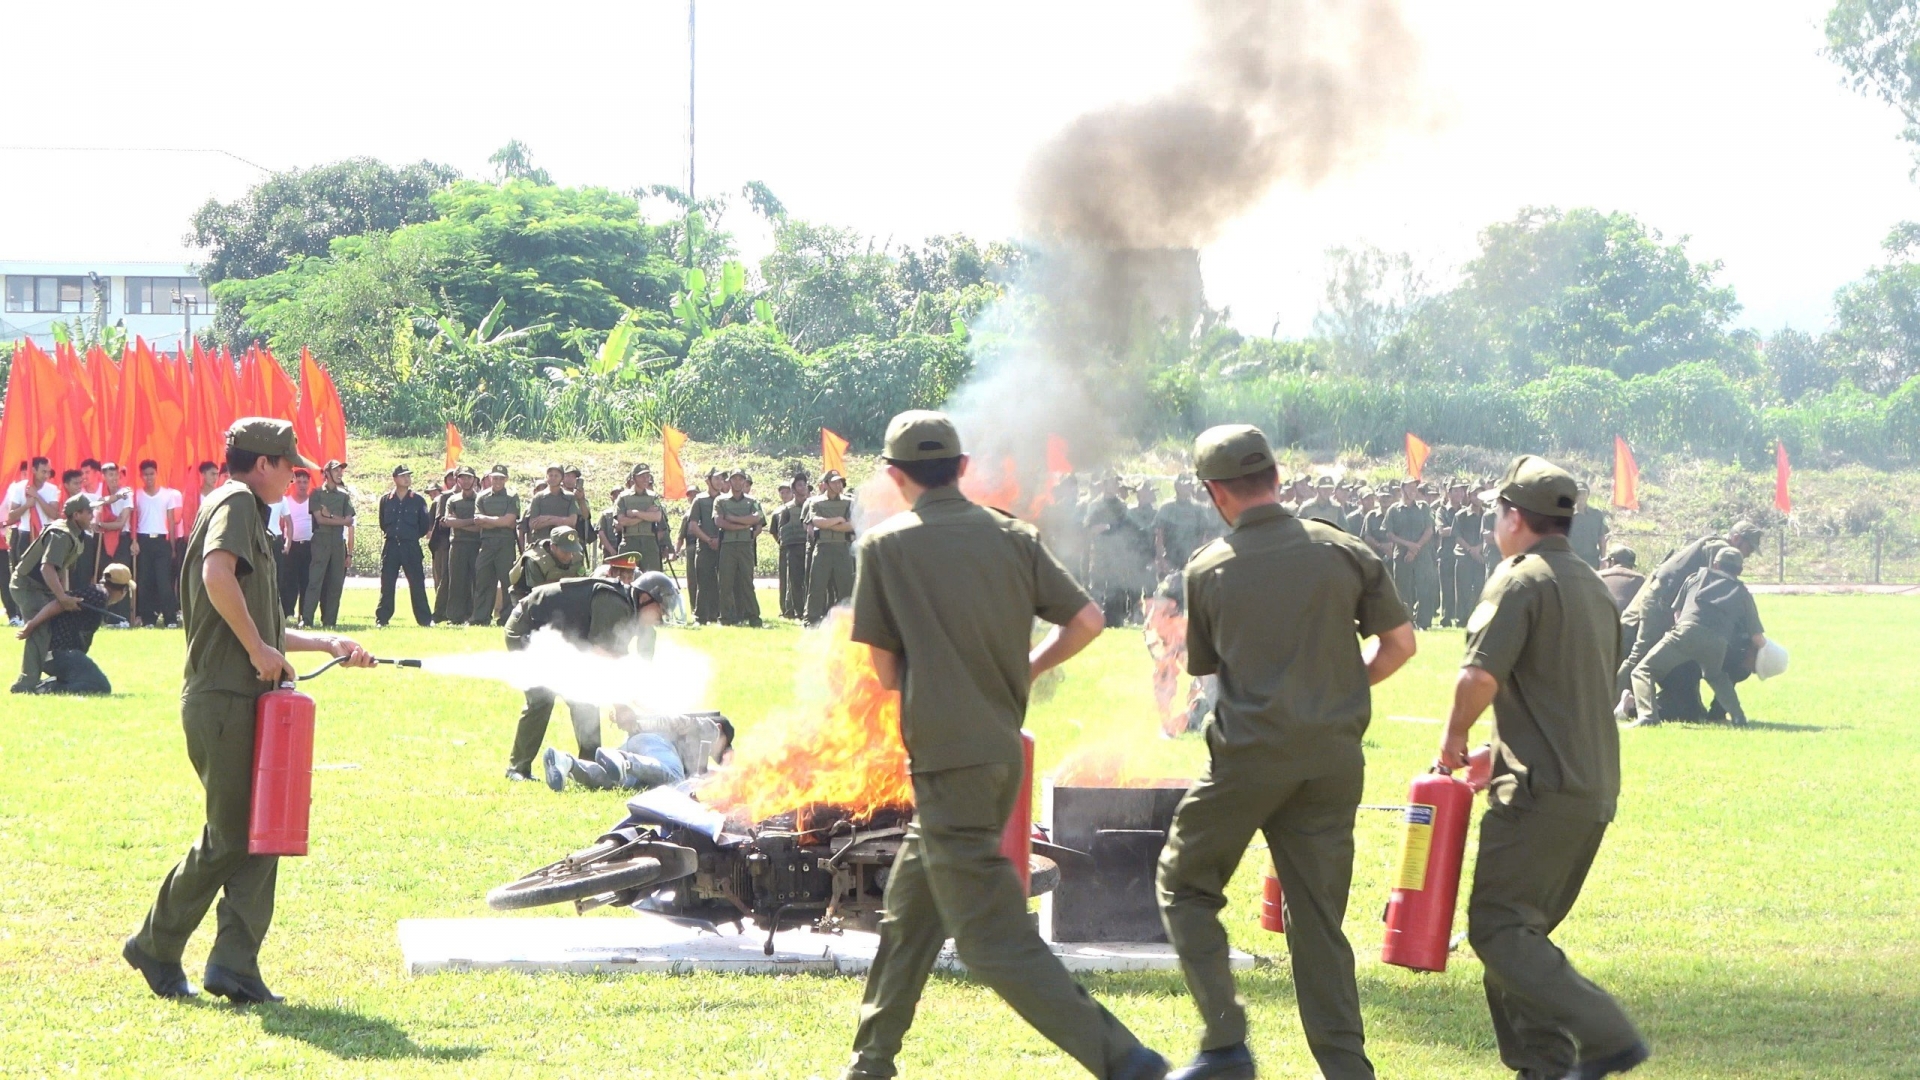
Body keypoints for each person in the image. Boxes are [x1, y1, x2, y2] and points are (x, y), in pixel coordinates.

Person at [838, 411, 1166, 1080]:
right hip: (994, 755)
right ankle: (870, 1063)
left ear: (896, 477)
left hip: (947, 757)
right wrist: (1028, 668)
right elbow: (1087, 620)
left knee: (993, 943)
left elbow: (883, 670)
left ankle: (1128, 1062)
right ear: (962, 469)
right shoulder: (1014, 538)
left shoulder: (887, 547)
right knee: (910, 912)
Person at [1155, 426, 1416, 1080]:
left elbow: (1208, 671)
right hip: (1331, 760)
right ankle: (1348, 1071)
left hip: (1248, 759)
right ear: (1278, 477)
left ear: (1215, 493)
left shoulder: (1209, 568)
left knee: (1184, 883)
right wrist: (1340, 686)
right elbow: (1402, 645)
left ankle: (1224, 1043)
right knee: (1318, 923)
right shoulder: (1345, 550)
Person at [125, 418, 374, 1003]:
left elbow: (262, 622)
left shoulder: (247, 513)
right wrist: (260, 650)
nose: (293, 476)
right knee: (232, 835)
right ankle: (155, 944)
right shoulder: (236, 501)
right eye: (288, 465)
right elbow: (217, 576)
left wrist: (326, 645)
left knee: (265, 832)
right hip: (223, 696)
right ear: (261, 463)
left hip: (246, 696)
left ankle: (234, 965)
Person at [1438, 454, 1649, 1080]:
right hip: (1588, 789)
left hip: (1539, 794)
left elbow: (1479, 675)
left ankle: (1608, 1036)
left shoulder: (1520, 579)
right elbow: (1562, 692)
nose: (1491, 527)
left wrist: (1453, 738)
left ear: (1514, 517)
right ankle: (1544, 1069)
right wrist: (1495, 752)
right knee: (1518, 936)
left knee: (1500, 931)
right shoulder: (1590, 585)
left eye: (1493, 514)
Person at [502, 558, 658, 782]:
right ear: (645, 598)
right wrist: (621, 704)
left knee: (584, 698)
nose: (661, 617)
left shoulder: (633, 610)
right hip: (527, 627)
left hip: (560, 638)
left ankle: (589, 766)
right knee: (542, 697)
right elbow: (602, 658)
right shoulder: (614, 602)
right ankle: (517, 769)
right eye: (660, 608)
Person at [1615, 520, 1764, 715]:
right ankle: (1610, 701)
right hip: (1660, 603)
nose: (1748, 554)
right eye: (1749, 548)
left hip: (1667, 603)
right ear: (1736, 539)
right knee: (1641, 654)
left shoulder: (1714, 545)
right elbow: (1717, 584)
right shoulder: (1719, 548)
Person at [10, 493, 94, 693]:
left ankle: (47, 676)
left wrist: (62, 595)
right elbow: (47, 568)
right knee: (39, 629)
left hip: (42, 587)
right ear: (76, 515)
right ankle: (25, 685)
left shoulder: (74, 533)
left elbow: (61, 567)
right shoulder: (61, 534)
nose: (92, 514)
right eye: (88, 511)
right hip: (27, 585)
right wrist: (62, 598)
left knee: (52, 626)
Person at [15, 562, 134, 694]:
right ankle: (47, 689)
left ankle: (46, 685)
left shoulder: (97, 594)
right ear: (123, 590)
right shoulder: (98, 595)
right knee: (100, 686)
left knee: (89, 681)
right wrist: (32, 625)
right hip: (61, 653)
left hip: (60, 654)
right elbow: (59, 603)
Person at [547, 709, 732, 792]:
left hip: (639, 748)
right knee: (675, 778)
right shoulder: (711, 728)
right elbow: (672, 720)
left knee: (614, 780)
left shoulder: (698, 750)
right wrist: (638, 723)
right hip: (654, 744)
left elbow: (701, 774)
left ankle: (567, 763)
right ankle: (624, 760)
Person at [375, 465, 434, 628]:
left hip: (410, 546)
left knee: (417, 583)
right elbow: (383, 523)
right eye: (402, 476)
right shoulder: (386, 499)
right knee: (387, 583)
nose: (407, 479)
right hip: (392, 545)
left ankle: (424, 620)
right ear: (395, 479)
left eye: (408, 476)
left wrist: (410, 535)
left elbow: (424, 526)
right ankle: (382, 618)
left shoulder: (418, 500)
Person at [302, 460, 355, 630]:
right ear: (327, 473)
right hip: (321, 541)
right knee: (315, 581)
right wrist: (336, 520)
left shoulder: (344, 496)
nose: (340, 473)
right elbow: (319, 519)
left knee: (336, 583)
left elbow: (349, 521)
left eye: (341, 471)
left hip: (338, 543)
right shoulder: (316, 494)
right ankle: (307, 619)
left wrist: (330, 516)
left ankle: (330, 621)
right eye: (336, 470)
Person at [131, 460, 183, 628]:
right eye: (145, 474)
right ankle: (148, 619)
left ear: (156, 474)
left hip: (162, 541)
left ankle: (170, 618)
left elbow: (171, 521)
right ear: (141, 476)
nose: (149, 477)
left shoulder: (167, 495)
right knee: (145, 581)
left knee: (164, 582)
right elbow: (134, 520)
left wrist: (173, 547)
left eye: (152, 473)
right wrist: (134, 541)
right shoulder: (137, 494)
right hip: (143, 540)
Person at [469, 465, 521, 627]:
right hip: (486, 544)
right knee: (483, 580)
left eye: (501, 478)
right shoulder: (482, 497)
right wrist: (499, 522)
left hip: (505, 544)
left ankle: (506, 618)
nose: (497, 481)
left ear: (506, 479)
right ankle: (480, 617)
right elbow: (478, 521)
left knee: (507, 582)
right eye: (495, 477)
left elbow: (510, 521)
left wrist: (488, 520)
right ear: (490, 478)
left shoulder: (512, 496)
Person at [1383, 479, 1438, 630]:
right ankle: (1407, 622)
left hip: (1422, 555)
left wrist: (1416, 548)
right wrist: (1409, 546)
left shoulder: (1424, 507)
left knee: (1424, 589)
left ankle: (1423, 623)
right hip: (1402, 556)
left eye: (1415, 487)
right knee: (1403, 590)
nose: (1413, 490)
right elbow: (1390, 534)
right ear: (1402, 489)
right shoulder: (1393, 510)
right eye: (1410, 487)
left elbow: (1429, 530)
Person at [713, 470, 764, 627]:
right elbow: (719, 522)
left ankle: (753, 617)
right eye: (734, 479)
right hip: (727, 546)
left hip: (744, 546)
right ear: (729, 481)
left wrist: (733, 519)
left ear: (744, 481)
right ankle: (726, 618)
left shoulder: (752, 501)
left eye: (741, 479)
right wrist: (745, 525)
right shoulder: (720, 501)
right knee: (725, 583)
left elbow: (758, 518)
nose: (737, 482)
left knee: (747, 582)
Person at [805, 470, 855, 624]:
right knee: (817, 585)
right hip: (823, 548)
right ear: (826, 484)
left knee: (846, 587)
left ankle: (845, 620)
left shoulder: (849, 502)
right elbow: (816, 522)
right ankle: (811, 618)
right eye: (834, 482)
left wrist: (829, 525)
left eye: (840, 482)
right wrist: (838, 519)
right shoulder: (816, 502)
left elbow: (852, 525)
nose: (838, 485)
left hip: (843, 547)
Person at [440, 466, 481, 625]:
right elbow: (448, 522)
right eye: (463, 477)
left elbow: (481, 525)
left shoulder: (481, 499)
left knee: (476, 582)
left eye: (469, 477)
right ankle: (454, 617)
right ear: (458, 480)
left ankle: (474, 615)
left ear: (474, 480)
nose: (466, 481)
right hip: (457, 545)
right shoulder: (452, 500)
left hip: (476, 544)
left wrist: (459, 523)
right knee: (456, 581)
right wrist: (471, 521)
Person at [509, 526, 587, 603]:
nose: (570, 556)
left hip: (562, 594)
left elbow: (582, 584)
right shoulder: (535, 561)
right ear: (553, 547)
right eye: (565, 551)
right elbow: (538, 594)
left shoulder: (577, 556)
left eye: (572, 550)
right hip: (527, 596)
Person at [275, 470, 314, 620]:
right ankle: (287, 613)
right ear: (293, 483)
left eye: (305, 482)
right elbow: (281, 524)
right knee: (289, 580)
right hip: (291, 546)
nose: (302, 485)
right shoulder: (286, 501)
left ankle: (304, 614)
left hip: (309, 546)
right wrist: (285, 543)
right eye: (299, 482)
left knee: (307, 580)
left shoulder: (313, 502)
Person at [615, 465, 667, 572]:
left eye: (647, 476)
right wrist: (647, 515)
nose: (646, 479)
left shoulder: (653, 497)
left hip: (649, 542)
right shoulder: (623, 497)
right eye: (642, 476)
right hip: (629, 540)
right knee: (626, 574)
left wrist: (636, 513)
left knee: (651, 577)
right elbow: (622, 521)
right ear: (633, 478)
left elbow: (657, 517)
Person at [772, 478, 812, 619]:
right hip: (793, 549)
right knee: (795, 582)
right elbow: (780, 531)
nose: (803, 488)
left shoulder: (813, 506)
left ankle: (810, 611)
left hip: (810, 548)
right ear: (793, 490)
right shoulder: (787, 509)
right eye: (799, 485)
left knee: (811, 582)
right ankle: (799, 612)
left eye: (805, 485)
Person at [688, 470, 723, 623]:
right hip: (704, 546)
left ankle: (719, 615)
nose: (720, 481)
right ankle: (701, 617)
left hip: (723, 547)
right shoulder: (699, 500)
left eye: (722, 478)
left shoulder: (725, 500)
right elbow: (693, 525)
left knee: (722, 583)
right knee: (703, 583)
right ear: (708, 480)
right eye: (716, 478)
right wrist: (709, 540)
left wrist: (720, 541)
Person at [1598, 546, 1645, 616]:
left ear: (1612, 561)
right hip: (1626, 622)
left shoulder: (1597, 576)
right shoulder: (1641, 580)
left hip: (1601, 618)